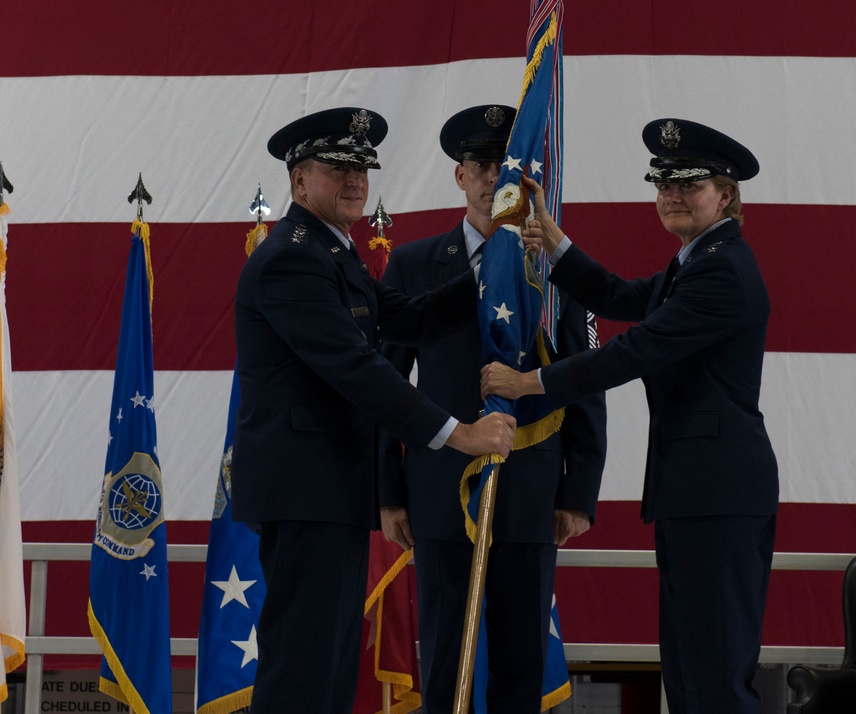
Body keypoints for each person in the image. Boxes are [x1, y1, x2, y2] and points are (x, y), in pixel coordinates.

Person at [481, 118, 779, 714]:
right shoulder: (695, 261)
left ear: (726, 195)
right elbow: (616, 295)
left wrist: (530, 381)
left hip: (717, 491)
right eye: (663, 183)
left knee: (715, 670)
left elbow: (634, 350)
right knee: (691, 666)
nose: (671, 194)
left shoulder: (721, 270)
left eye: (688, 185)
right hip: (697, 490)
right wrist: (552, 238)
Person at [230, 106, 516, 714]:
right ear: (298, 180)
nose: (356, 180)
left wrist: (501, 265)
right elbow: (357, 370)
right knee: (302, 671)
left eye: (362, 167)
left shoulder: (335, 252)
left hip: (328, 489)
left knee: (327, 668)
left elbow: (409, 318)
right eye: (338, 168)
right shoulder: (293, 257)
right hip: (306, 489)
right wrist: (457, 433)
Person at [378, 104, 608, 713]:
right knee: (446, 660)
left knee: (519, 665)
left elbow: (586, 380)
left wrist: (578, 492)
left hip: (531, 489)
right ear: (459, 176)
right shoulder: (413, 265)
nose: (492, 177)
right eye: (479, 164)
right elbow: (384, 383)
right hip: (439, 486)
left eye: (506, 164)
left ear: (527, 174)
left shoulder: (557, 265)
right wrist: (389, 491)